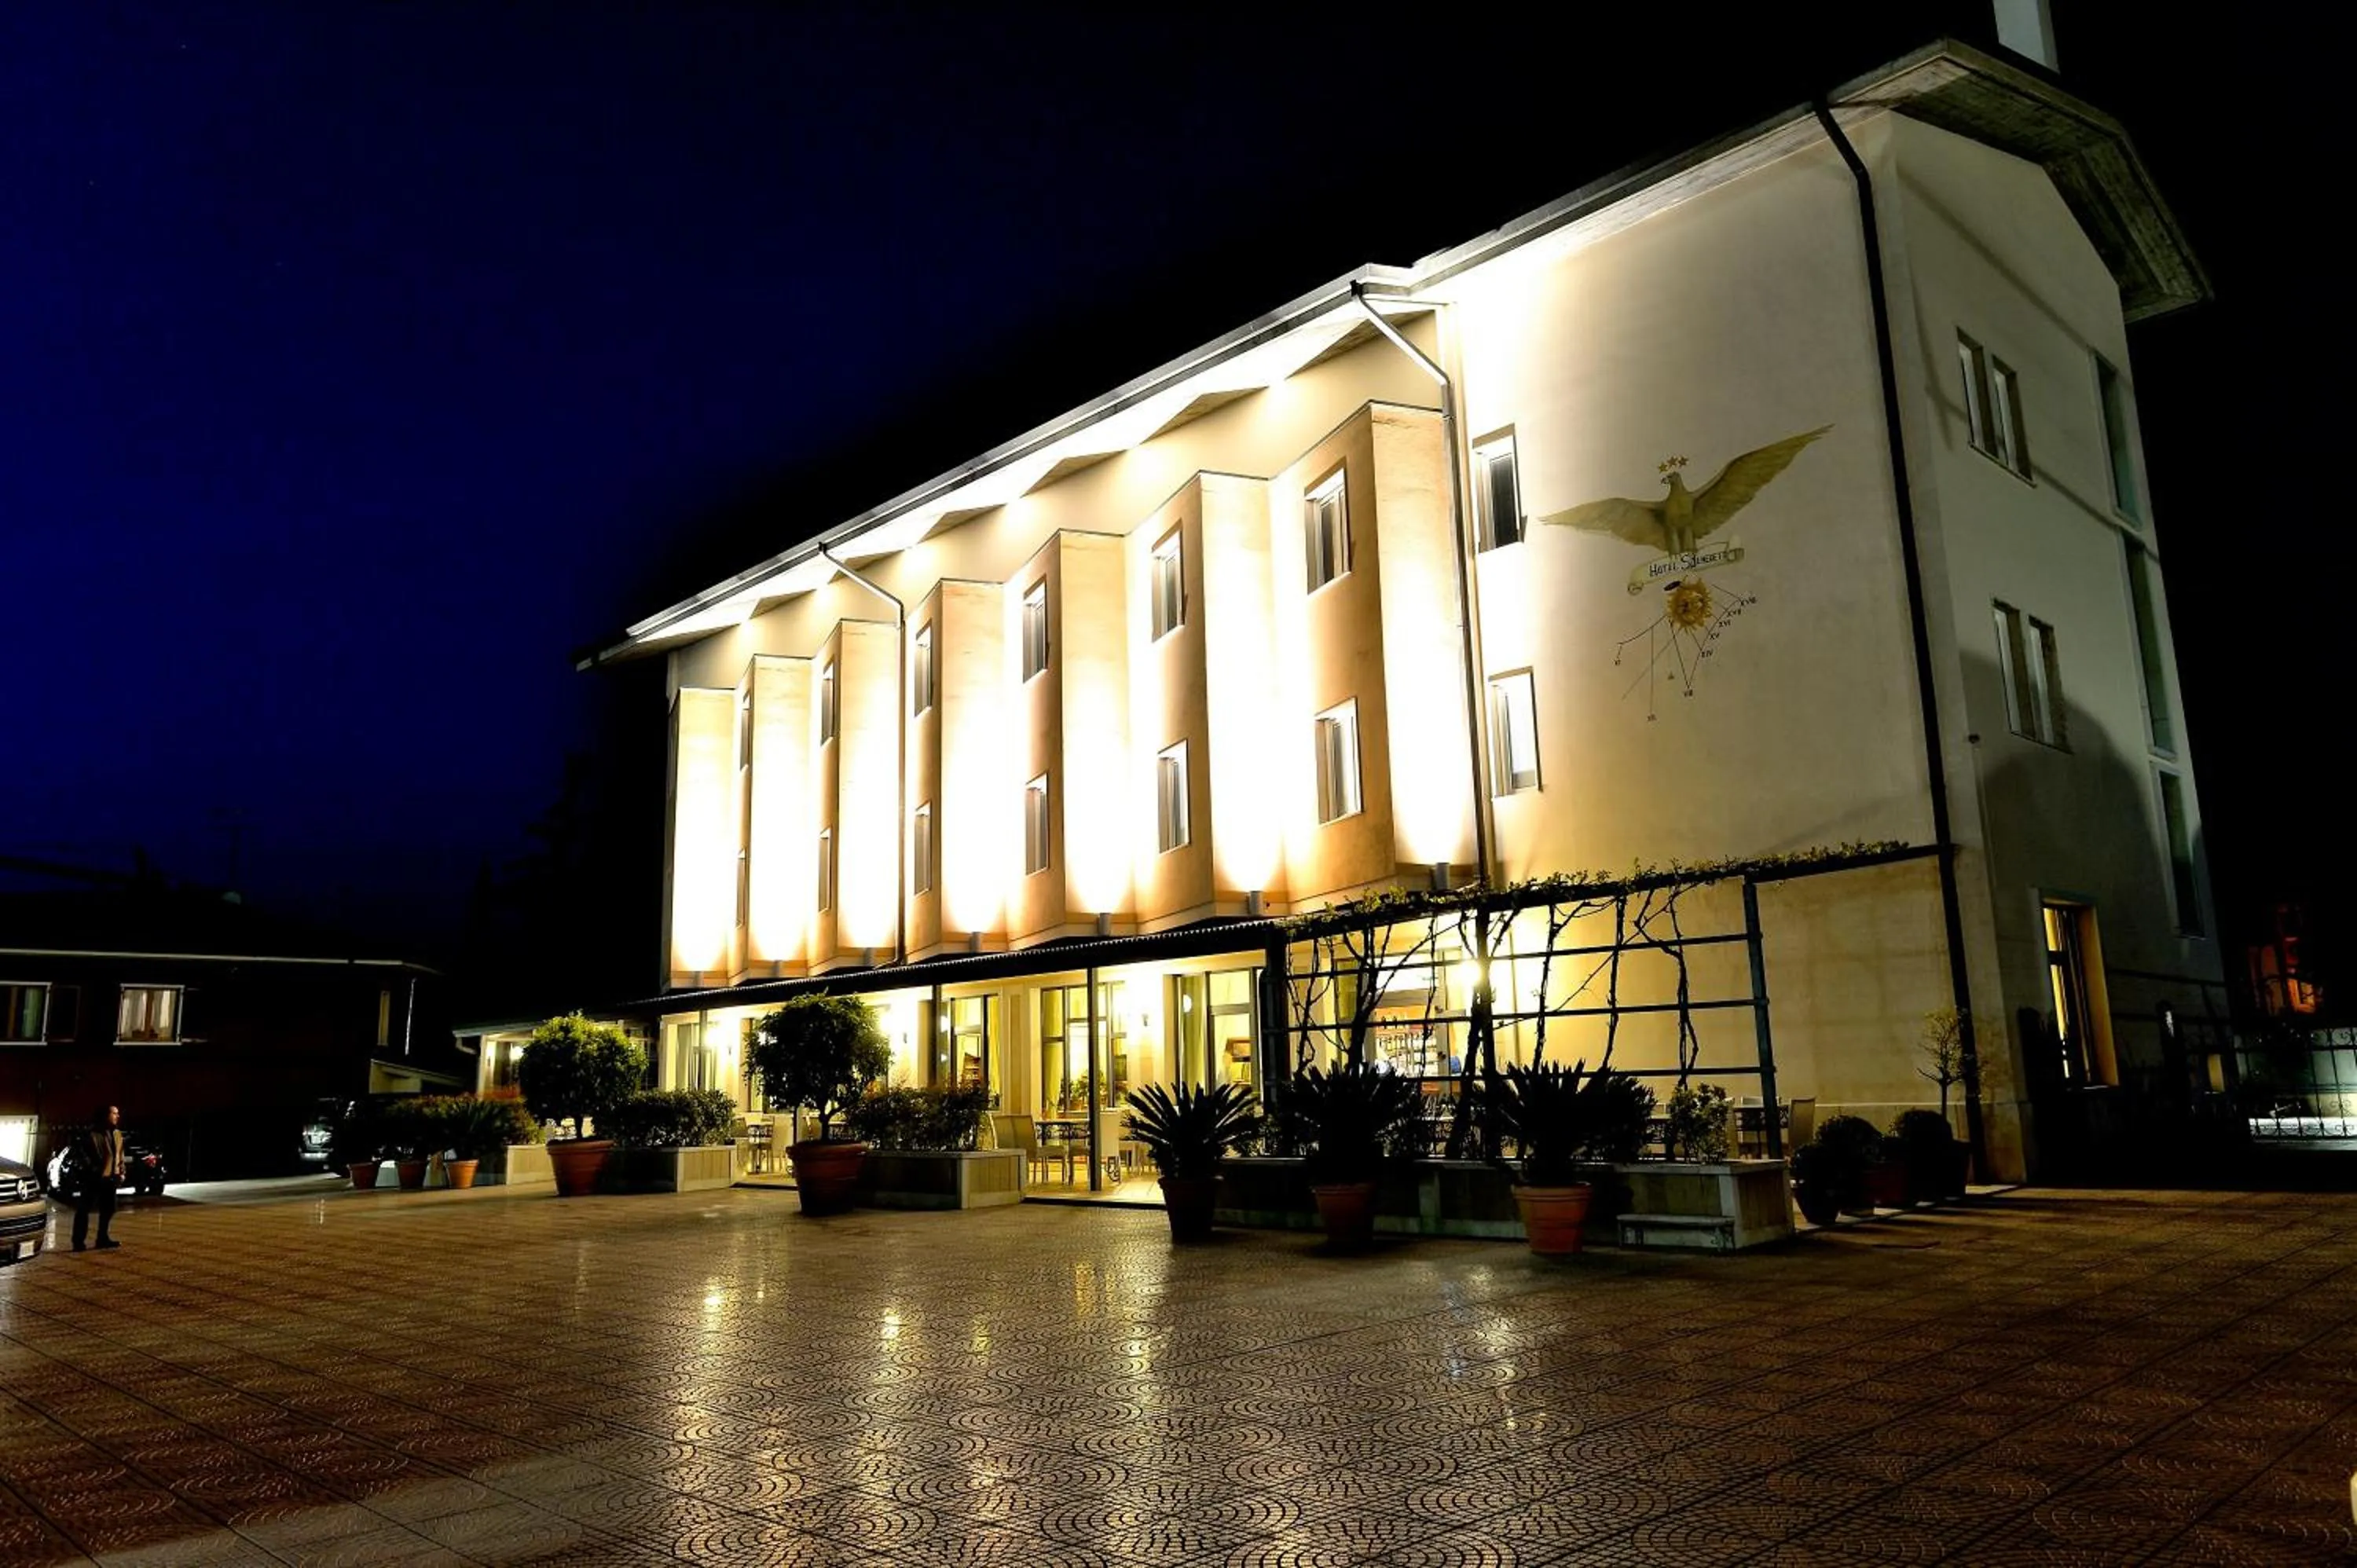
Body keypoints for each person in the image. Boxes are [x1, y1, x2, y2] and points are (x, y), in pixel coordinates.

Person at [71, 1104, 125, 1252]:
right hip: (94, 1178)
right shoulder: (91, 1134)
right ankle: (78, 1242)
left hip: (111, 1178)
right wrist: (92, 1169)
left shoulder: (117, 1134)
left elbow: (120, 1155)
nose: (117, 1116)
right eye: (114, 1113)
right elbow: (82, 1155)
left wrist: (121, 1171)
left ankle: (103, 1238)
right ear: (106, 1115)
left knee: (109, 1209)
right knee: (84, 1209)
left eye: (117, 1113)